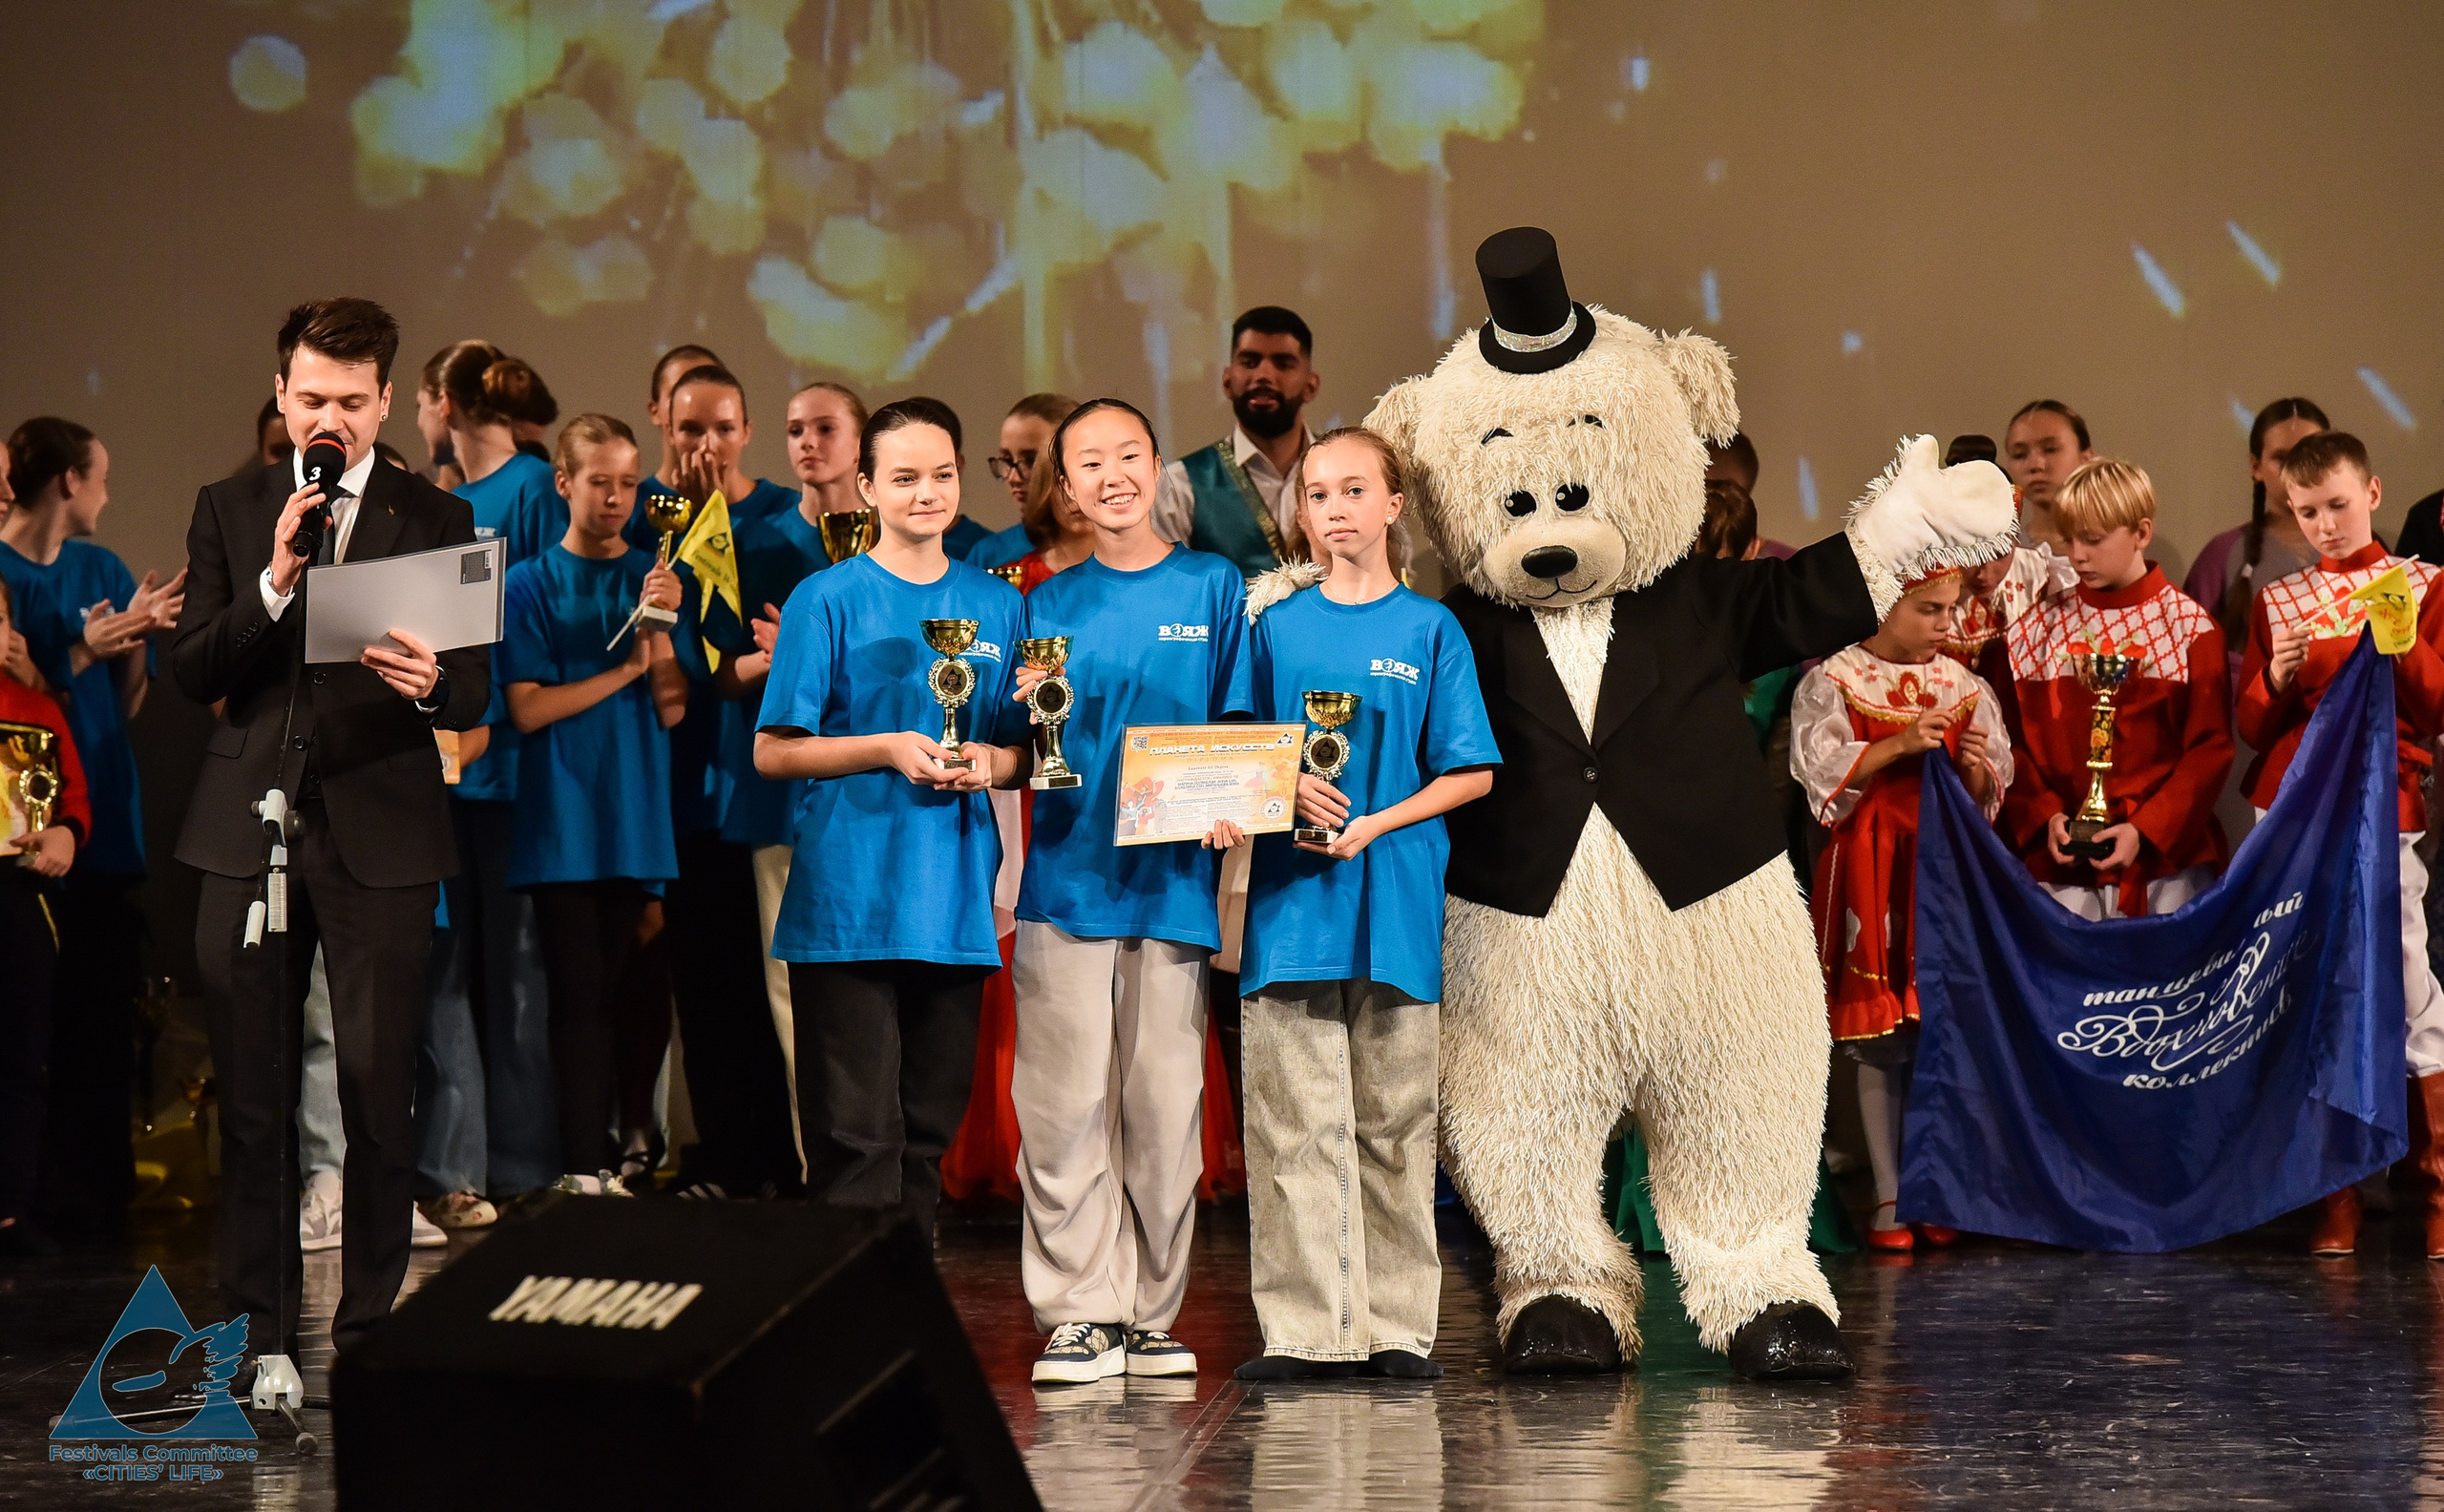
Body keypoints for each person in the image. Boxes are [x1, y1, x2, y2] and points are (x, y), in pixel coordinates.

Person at [172, 297, 490, 1357]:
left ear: (386, 400)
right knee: (256, 1097)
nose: (331, 418)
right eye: (312, 398)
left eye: (352, 402)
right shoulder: (234, 504)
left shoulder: (434, 515)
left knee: (375, 1089)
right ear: (281, 395)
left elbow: (475, 691)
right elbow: (195, 669)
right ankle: (255, 1332)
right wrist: (274, 578)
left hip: (383, 824)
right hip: (249, 828)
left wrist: (433, 681)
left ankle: (369, 1329)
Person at [1233, 427, 1497, 1380]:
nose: (1333, 508)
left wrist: (1378, 822)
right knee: (1291, 1130)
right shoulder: (1272, 629)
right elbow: (1232, 752)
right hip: (1290, 914)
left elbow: (1469, 772)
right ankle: (1308, 1332)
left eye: (1353, 490)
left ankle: (1394, 1328)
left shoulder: (1430, 629)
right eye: (1315, 493)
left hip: (1392, 906)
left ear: (1394, 506)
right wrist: (1278, 788)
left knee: (1393, 1128)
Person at [1008, 398, 1253, 1384]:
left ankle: (1149, 1313)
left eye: (1127, 456)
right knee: (1064, 1109)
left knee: (1162, 1110)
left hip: (1175, 888)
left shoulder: (1214, 584)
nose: (1111, 477)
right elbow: (1022, 743)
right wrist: (1022, 716)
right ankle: (1079, 1312)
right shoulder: (1042, 604)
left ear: (1157, 468)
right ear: (1062, 487)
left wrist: (1237, 800)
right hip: (1067, 882)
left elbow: (1239, 724)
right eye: (1087, 464)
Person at [753, 395, 1029, 1243]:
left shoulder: (999, 603)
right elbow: (774, 751)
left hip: (951, 899)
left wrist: (989, 763)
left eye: (942, 474)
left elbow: (1024, 752)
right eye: (904, 477)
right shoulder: (826, 598)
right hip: (848, 902)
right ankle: (850, 1328)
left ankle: (905, 1311)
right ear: (866, 486)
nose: (927, 493)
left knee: (926, 1133)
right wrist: (884, 747)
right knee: (853, 1137)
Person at [2235, 431, 2444, 1258]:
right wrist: (2275, 676)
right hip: (2292, 815)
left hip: (2384, 807)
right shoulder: (2279, 600)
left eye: (2338, 506)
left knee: (2405, 979)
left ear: (2375, 494)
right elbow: (2252, 726)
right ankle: (2333, 1198)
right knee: (2309, 992)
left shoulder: (2422, 584)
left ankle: (2432, 1190)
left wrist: (2404, 641)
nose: (2324, 524)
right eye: (2306, 511)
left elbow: (2433, 709)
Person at [678, 379, 872, 1201]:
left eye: (825, 428)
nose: (807, 444)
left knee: (875, 994)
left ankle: (883, 1176)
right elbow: (718, 671)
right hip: (783, 800)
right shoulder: (750, 539)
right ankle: (819, 1179)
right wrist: (780, 661)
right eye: (794, 430)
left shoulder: (896, 544)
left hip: (876, 797)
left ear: (860, 442)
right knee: (793, 998)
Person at [0, 417, 185, 1232]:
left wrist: (133, 638)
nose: (108, 492)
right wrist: (78, 651)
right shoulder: (2, 571)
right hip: (20, 829)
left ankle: (93, 1196)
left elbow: (130, 700)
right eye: (102, 476)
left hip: (100, 808)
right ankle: (27, 1195)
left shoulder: (100, 566)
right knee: (31, 1019)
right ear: (68, 481)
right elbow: (28, 698)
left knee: (100, 1015)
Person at [1793, 567, 2010, 1251]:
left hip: (1939, 873)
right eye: (1928, 610)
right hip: (1870, 867)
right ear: (1884, 606)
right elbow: (1818, 772)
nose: (1946, 625)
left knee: (1938, 1034)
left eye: (1951, 610)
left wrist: (1974, 764)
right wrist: (1897, 744)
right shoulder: (1837, 677)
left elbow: (1986, 794)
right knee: (1880, 1041)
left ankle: (1935, 1184)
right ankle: (1890, 1192)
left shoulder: (1964, 685)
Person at [499, 415, 687, 1189]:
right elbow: (528, 709)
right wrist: (626, 669)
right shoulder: (528, 582)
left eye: (629, 484)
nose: (617, 499)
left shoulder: (654, 574)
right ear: (565, 482)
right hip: (563, 822)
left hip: (634, 817)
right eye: (601, 482)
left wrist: (665, 627)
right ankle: (581, 1165)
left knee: (621, 997)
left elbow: (674, 708)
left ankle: (611, 1154)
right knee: (577, 999)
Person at [419, 341, 569, 1220]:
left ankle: (526, 1164)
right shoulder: (437, 503)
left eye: (420, 403)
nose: (419, 422)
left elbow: (541, 620)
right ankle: (456, 1173)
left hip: (509, 771)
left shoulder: (532, 491)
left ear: (445, 400)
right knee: (445, 972)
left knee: (516, 977)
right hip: (441, 778)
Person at [2001, 458, 2232, 920]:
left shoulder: (2190, 628)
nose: (2078, 555)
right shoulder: (2034, 630)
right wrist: (2046, 816)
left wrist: (2145, 829)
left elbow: (2209, 750)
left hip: (2165, 867)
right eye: (2070, 540)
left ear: (2141, 533)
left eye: (2093, 539)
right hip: (2059, 863)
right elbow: (2008, 743)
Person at [0, 575, 87, 1257]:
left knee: (25, 1052)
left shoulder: (37, 708)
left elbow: (74, 802)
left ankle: (12, 1206)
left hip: (19, 893)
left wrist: (64, 835)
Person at [1150, 307, 1318, 578]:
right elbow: (1171, 599)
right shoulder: (1179, 486)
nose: (1264, 375)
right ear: (1227, 381)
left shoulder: (1349, 475)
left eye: (1283, 363)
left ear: (1311, 386)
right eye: (1250, 362)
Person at [2181, 398, 2330, 664]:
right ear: (2256, 467)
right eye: (2282, 458)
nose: (2297, 470)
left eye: (2310, 455)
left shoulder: (2362, 548)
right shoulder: (2222, 555)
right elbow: (2194, 659)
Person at [964, 393, 1078, 570]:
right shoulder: (990, 556)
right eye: (1006, 460)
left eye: (1032, 460)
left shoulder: (1120, 549)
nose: (1014, 478)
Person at [2002, 400, 2094, 552]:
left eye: (2051, 449)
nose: (2035, 465)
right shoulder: (2000, 556)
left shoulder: (2121, 547)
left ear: (2086, 458)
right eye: (2020, 455)